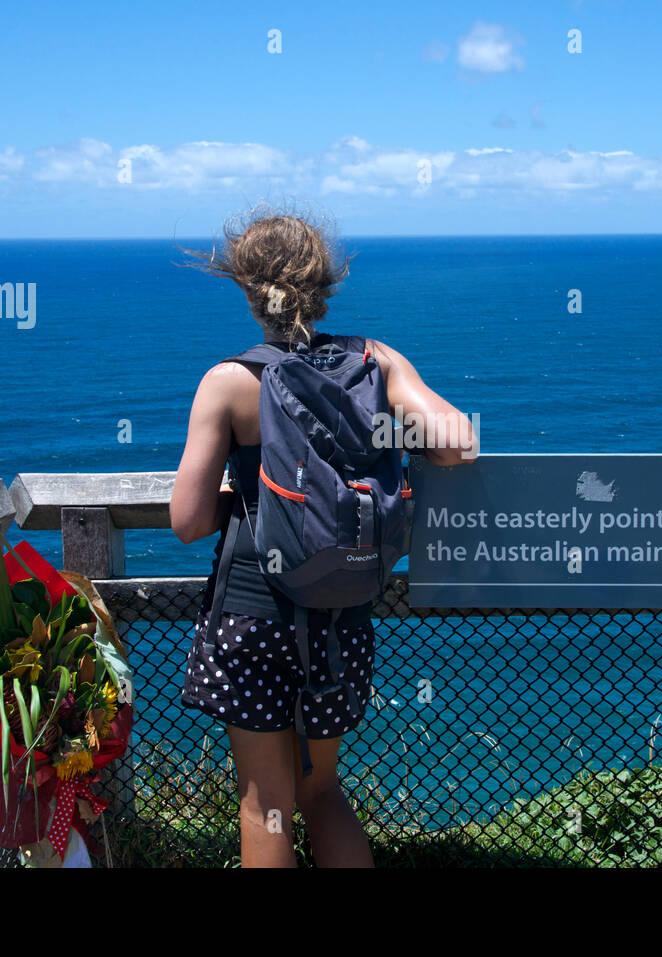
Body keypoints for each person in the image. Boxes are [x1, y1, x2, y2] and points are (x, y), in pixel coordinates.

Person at [169, 207, 476, 867]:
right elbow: (459, 443)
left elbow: (188, 522)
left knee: (266, 802)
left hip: (253, 614)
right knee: (323, 791)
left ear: (250, 292)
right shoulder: (376, 361)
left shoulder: (229, 383)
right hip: (341, 612)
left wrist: (237, 496)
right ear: (324, 283)